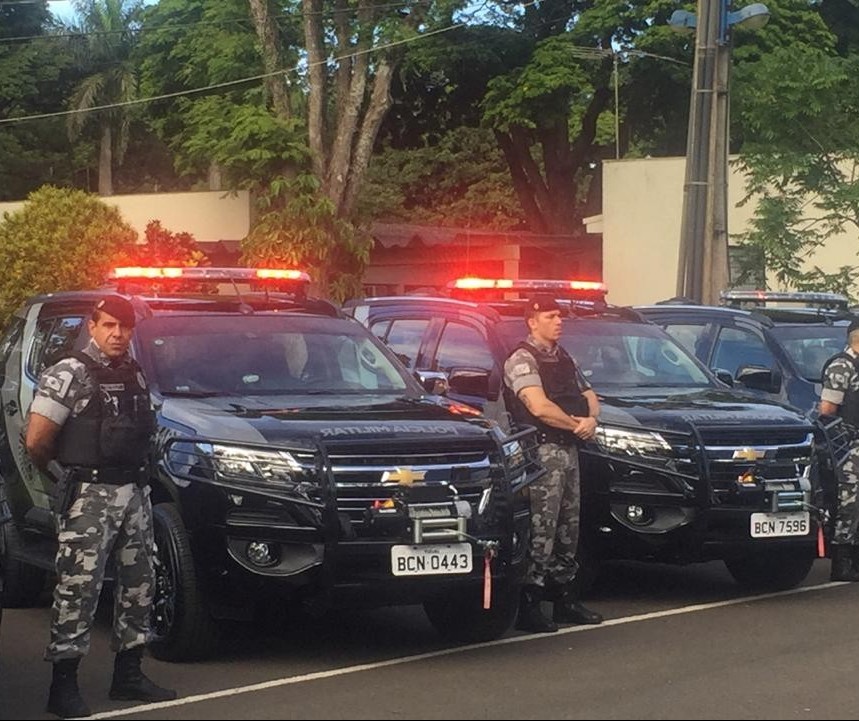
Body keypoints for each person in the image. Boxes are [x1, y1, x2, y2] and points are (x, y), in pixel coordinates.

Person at [25, 295, 176, 718]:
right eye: (108, 325)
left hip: (134, 493)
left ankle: (128, 676)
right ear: (92, 325)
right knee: (78, 589)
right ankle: (63, 687)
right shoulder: (69, 372)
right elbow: (37, 439)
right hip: (89, 498)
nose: (117, 334)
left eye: (124, 327)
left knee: (139, 585)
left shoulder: (134, 372)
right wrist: (63, 477)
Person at [503, 295, 604, 633]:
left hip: (570, 449)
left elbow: (590, 396)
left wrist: (590, 420)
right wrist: (579, 425)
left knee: (568, 528)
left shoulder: (564, 357)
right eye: (550, 315)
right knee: (540, 528)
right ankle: (529, 604)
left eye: (559, 315)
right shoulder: (521, 359)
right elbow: (539, 407)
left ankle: (564, 599)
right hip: (541, 453)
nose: (559, 321)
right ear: (533, 321)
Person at [819, 318, 859, 583]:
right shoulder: (842, 367)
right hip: (850, 446)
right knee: (850, 501)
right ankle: (842, 562)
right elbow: (827, 410)